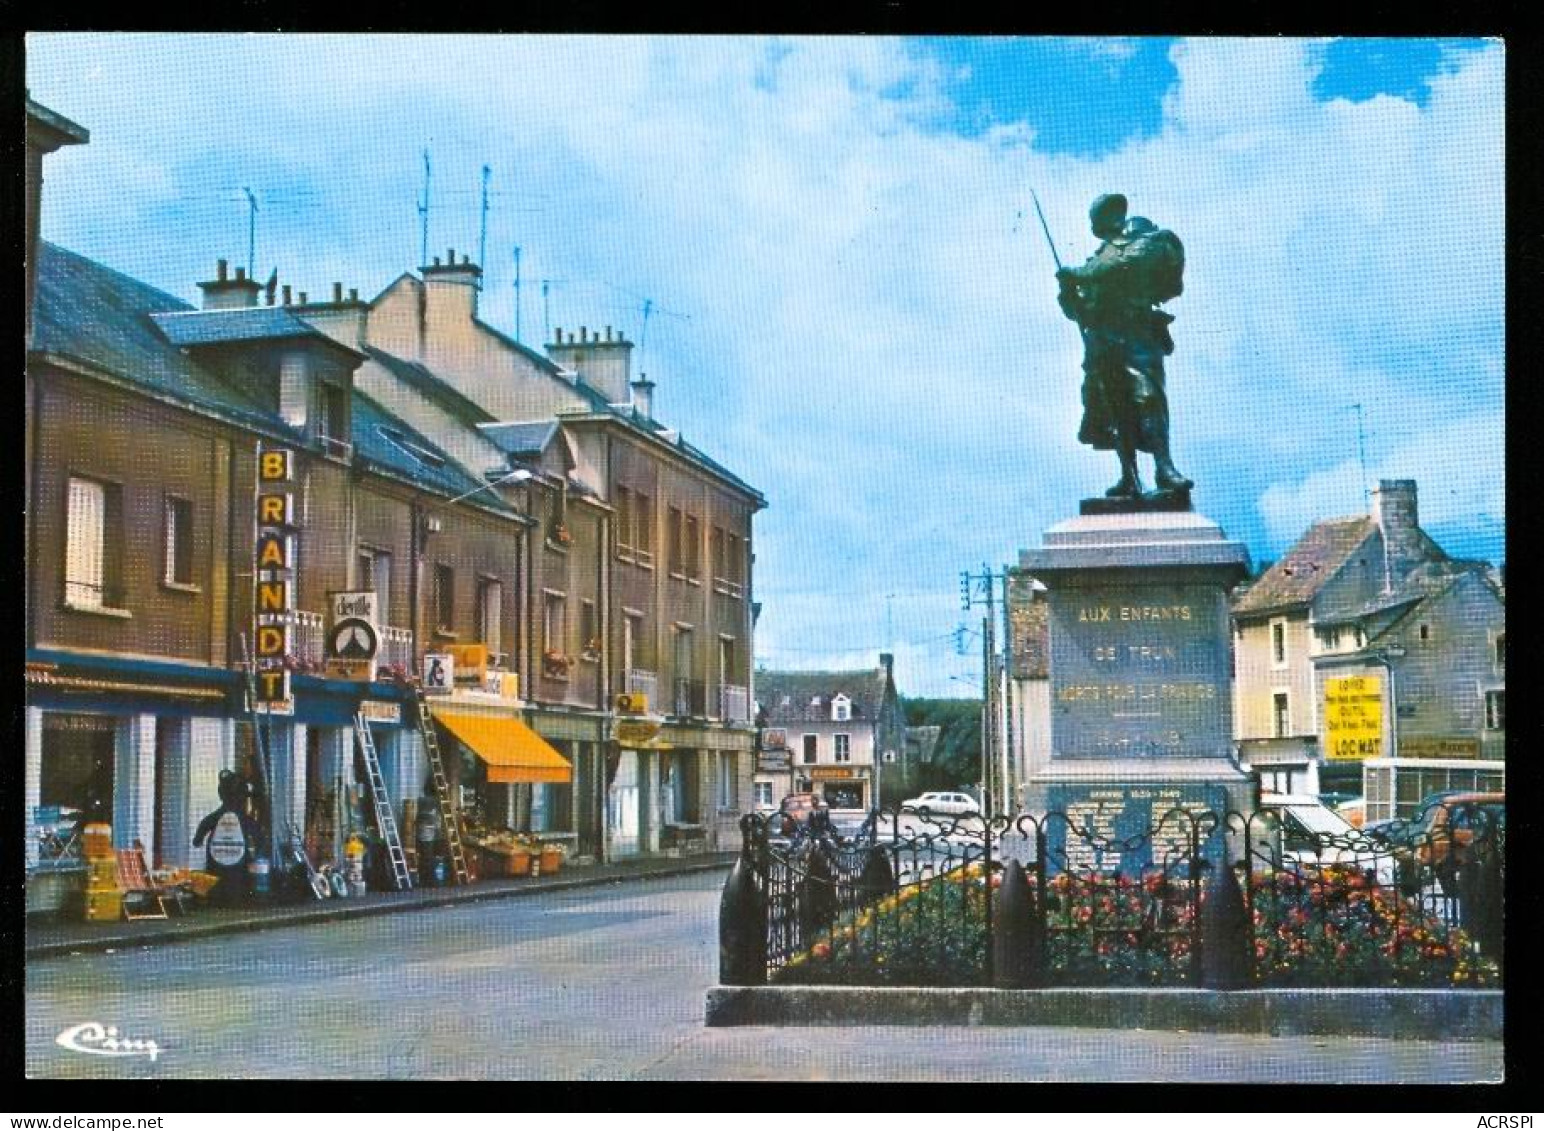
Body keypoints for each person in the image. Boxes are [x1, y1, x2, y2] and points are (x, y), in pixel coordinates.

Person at [1057, 193, 1193, 500]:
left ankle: (1164, 468)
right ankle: (1128, 477)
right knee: (1114, 409)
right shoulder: (1096, 261)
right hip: (1103, 341)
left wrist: (1077, 275)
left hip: (1137, 334)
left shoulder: (1141, 235)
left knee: (1148, 397)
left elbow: (1130, 262)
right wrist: (1068, 293)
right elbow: (1079, 312)